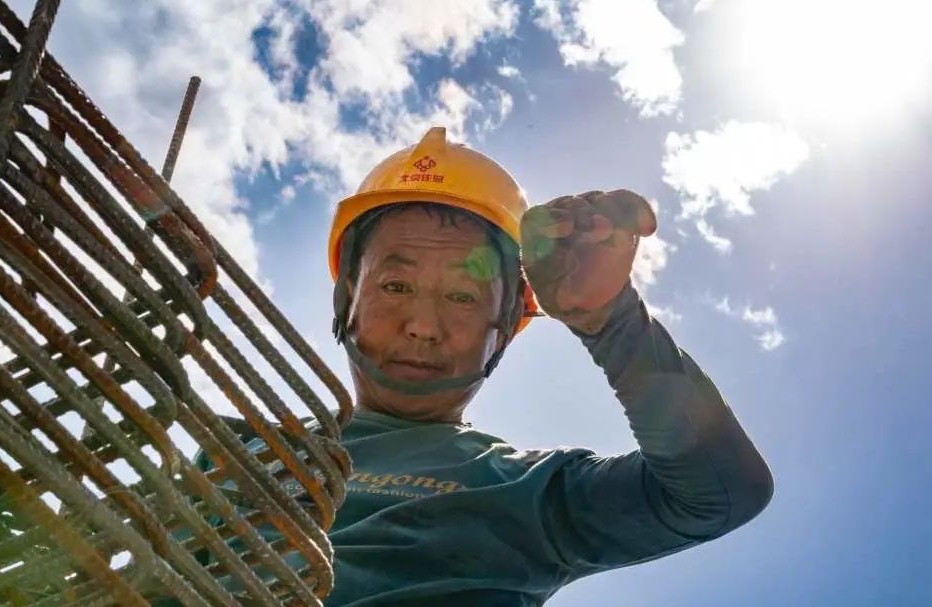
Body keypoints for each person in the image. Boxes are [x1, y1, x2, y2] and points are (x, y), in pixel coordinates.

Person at [314, 126, 773, 606]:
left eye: (462, 295)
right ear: (348, 297)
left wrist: (613, 322)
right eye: (395, 286)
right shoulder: (240, 443)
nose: (424, 326)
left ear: (506, 326)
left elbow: (719, 493)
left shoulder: (527, 490)